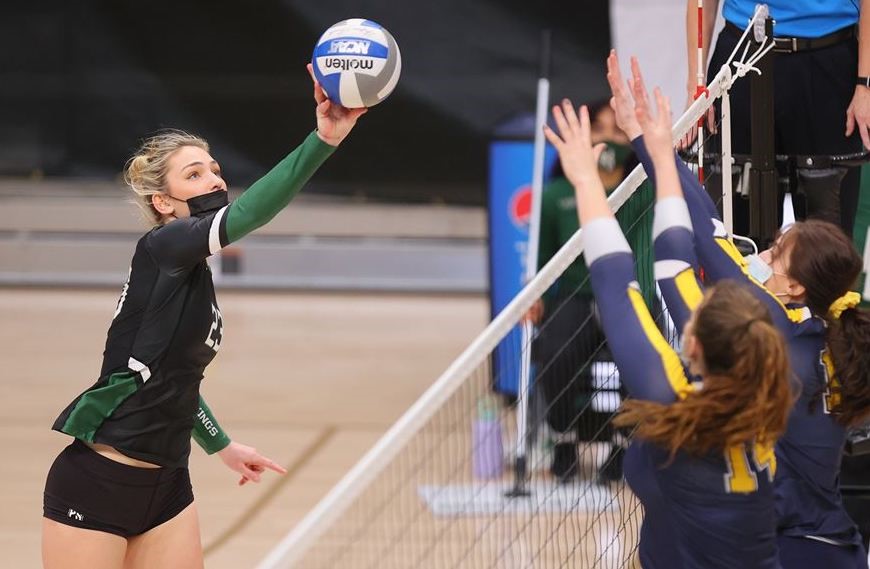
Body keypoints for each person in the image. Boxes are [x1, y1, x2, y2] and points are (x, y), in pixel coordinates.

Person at [41, 64, 366, 569]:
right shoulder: (164, 245)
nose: (214, 178)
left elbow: (172, 378)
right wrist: (323, 140)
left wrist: (222, 445)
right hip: (99, 482)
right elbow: (252, 212)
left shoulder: (189, 271)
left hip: (168, 486)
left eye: (214, 168)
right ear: (163, 202)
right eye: (194, 174)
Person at [616, 52, 870, 567]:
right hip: (838, 547)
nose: (761, 257)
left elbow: (698, 246)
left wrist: (652, 148)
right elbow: (713, 234)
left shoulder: (769, 330)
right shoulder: (831, 337)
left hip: (791, 551)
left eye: (774, 255)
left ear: (796, 286)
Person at [543, 95, 792, 567]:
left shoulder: (670, 399)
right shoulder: (767, 390)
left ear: (693, 345)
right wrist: (660, 156)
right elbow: (674, 263)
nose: (688, 309)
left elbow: (617, 284)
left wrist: (584, 180)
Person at [687, 0, 870, 236]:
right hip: (742, 56)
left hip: (828, 61)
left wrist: (865, 84)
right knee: (735, 236)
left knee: (827, 242)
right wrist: (697, 83)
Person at [528, 101, 635, 483]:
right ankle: (564, 440)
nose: (607, 138)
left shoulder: (640, 191)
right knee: (554, 351)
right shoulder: (556, 194)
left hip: (626, 295)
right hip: (573, 293)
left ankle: (622, 446)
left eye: (617, 130)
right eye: (599, 128)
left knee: (639, 351)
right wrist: (534, 294)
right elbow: (540, 259)